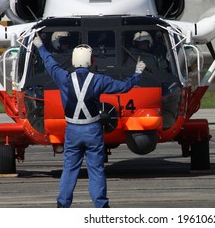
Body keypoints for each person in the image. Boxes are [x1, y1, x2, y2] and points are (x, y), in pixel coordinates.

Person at [33, 36, 146, 208]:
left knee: (69, 169)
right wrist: (137, 73)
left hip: (72, 130)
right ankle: (101, 206)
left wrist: (40, 46)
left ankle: (62, 205)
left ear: (72, 60)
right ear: (91, 61)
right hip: (93, 130)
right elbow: (124, 87)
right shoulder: (99, 80)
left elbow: (50, 63)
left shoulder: (63, 78)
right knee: (96, 170)